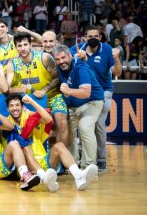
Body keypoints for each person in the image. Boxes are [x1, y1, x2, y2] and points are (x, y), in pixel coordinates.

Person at [4, 94, 98, 191]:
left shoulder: (30, 117)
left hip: (44, 161)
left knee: (59, 146)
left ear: (22, 107)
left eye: (17, 105)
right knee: (25, 148)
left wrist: (32, 102)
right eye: (11, 106)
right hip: (27, 170)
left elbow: (48, 119)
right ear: (7, 109)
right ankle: (43, 177)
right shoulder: (6, 123)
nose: (15, 108)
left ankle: (78, 176)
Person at [70, 26, 122, 171]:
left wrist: (116, 58)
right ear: (85, 37)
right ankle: (81, 157)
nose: (93, 38)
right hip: (84, 91)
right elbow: (64, 57)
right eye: (90, 36)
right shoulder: (77, 48)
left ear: (100, 37)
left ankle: (100, 158)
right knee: (81, 125)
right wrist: (75, 57)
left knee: (98, 124)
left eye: (96, 36)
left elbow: (117, 71)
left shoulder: (106, 49)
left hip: (103, 91)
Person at [7, 32, 69, 147]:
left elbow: (57, 78)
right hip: (30, 101)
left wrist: (44, 90)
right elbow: (6, 88)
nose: (23, 48)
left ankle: (64, 161)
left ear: (31, 45)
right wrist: (17, 89)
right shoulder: (12, 63)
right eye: (19, 46)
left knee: (61, 122)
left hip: (52, 97)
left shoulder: (44, 58)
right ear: (15, 48)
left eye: (25, 45)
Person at [54, 44, 104, 168]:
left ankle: (89, 166)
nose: (61, 61)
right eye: (58, 59)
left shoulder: (81, 68)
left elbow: (86, 93)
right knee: (67, 130)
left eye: (63, 58)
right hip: (73, 105)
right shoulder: (61, 62)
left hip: (91, 102)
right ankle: (73, 165)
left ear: (70, 55)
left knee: (85, 127)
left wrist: (68, 91)